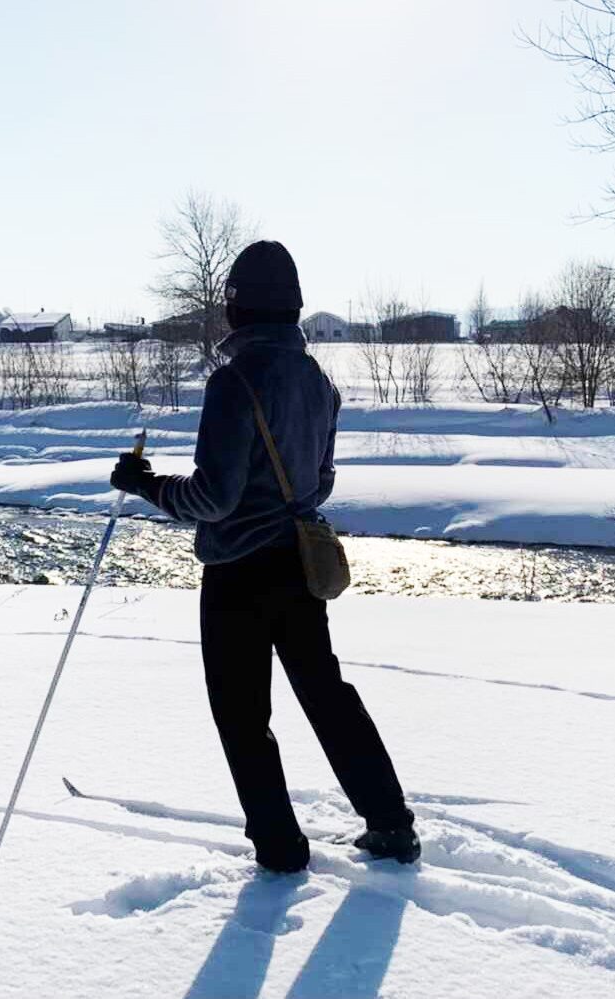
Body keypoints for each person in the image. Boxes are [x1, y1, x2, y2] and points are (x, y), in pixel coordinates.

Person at [109, 241, 419, 874]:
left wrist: (145, 485)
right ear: (294, 308)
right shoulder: (318, 382)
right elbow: (320, 483)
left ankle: (280, 850)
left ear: (238, 308)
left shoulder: (234, 381)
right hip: (299, 565)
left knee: (242, 712)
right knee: (326, 693)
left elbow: (213, 499)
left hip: (237, 573)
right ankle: (391, 823)